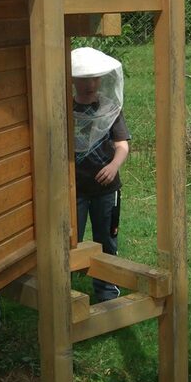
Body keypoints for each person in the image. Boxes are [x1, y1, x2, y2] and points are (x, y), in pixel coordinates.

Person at [70, 47, 131, 303]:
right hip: (75, 190)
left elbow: (122, 145)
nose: (90, 84)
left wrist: (114, 165)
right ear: (72, 79)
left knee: (106, 237)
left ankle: (107, 292)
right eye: (84, 78)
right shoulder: (65, 109)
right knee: (71, 241)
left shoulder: (109, 109)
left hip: (107, 189)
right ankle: (66, 291)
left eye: (95, 78)